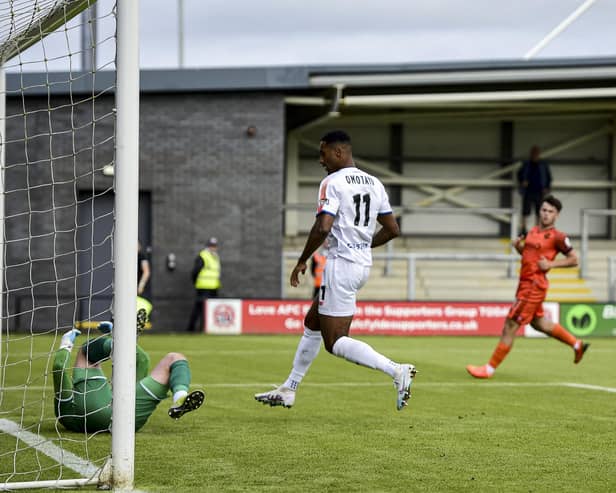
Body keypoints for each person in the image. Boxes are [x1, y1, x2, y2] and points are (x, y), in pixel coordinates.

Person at [254, 130, 417, 411]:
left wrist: (303, 259)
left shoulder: (332, 182)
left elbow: (323, 226)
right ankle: (289, 388)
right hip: (360, 265)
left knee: (335, 341)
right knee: (312, 322)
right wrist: (364, 245)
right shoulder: (375, 183)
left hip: (341, 267)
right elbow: (392, 230)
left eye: (323, 153)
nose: (321, 160)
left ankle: (396, 370)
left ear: (339, 152)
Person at [466, 195, 589, 379]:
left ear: (557, 216)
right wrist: (518, 247)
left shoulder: (558, 237)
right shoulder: (532, 231)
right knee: (538, 323)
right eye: (543, 210)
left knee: (510, 324)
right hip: (524, 283)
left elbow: (574, 260)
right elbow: (529, 255)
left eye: (550, 212)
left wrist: (551, 265)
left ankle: (489, 369)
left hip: (533, 286)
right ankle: (576, 344)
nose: (546, 214)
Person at [53, 310, 205, 433]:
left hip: (90, 414)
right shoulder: (69, 409)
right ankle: (180, 397)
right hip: (129, 421)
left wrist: (65, 345)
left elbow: (59, 366)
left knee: (86, 352)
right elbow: (143, 360)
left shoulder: (65, 415)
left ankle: (118, 343)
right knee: (175, 358)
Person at [186, 237, 221, 332]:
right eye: (211, 246)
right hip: (203, 287)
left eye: (214, 246)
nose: (213, 248)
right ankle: (191, 329)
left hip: (213, 287)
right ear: (208, 246)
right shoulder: (203, 256)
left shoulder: (215, 257)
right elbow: (195, 272)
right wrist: (196, 283)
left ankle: (206, 328)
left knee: (210, 310)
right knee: (199, 309)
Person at [517, 145, 552, 235]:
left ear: (539, 154)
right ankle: (523, 229)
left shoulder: (543, 164)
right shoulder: (526, 164)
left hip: (539, 191)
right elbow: (519, 174)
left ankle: (537, 229)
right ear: (531, 154)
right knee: (525, 211)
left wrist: (547, 188)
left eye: (536, 153)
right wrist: (522, 182)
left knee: (539, 211)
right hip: (528, 191)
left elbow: (548, 177)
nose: (535, 155)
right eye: (533, 153)